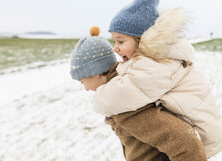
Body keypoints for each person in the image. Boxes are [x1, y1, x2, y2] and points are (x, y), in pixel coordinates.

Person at [92, 0, 222, 158]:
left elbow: (123, 94)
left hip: (195, 138)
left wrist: (99, 95)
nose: (115, 47)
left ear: (141, 40)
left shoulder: (157, 64)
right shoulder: (159, 58)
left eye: (121, 41)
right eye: (113, 41)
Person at [69, 28, 207, 161]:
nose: (85, 89)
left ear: (96, 73)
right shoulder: (120, 92)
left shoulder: (123, 102)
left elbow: (187, 143)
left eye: (82, 82)